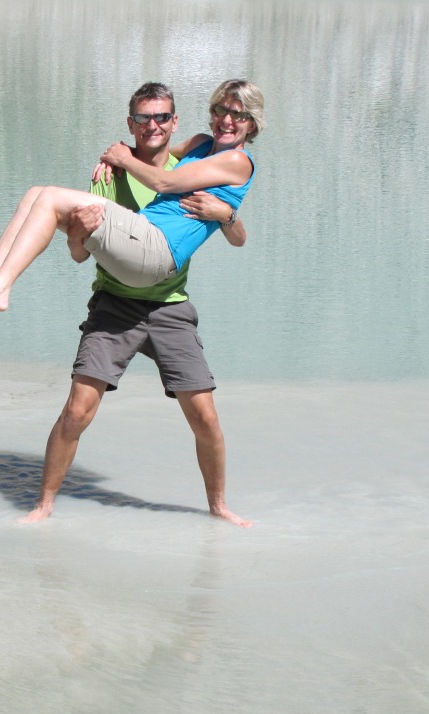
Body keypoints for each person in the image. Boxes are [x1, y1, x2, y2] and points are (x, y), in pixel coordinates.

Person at [20, 80, 261, 526]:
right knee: (76, 412)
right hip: (115, 303)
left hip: (170, 305)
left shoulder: (192, 165)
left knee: (205, 417)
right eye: (144, 119)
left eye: (162, 118)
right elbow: (79, 253)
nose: (153, 126)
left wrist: (227, 214)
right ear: (131, 124)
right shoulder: (111, 176)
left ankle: (219, 506)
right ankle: (43, 505)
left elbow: (238, 237)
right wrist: (79, 229)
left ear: (174, 122)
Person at [0, 79, 264, 312]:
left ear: (252, 124)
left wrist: (123, 159)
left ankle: (0, 289)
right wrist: (116, 155)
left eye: (239, 114)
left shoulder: (237, 161)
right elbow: (153, 151)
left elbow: (164, 182)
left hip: (159, 253)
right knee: (35, 194)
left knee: (49, 197)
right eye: (221, 110)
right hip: (138, 245)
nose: (227, 120)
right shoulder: (201, 144)